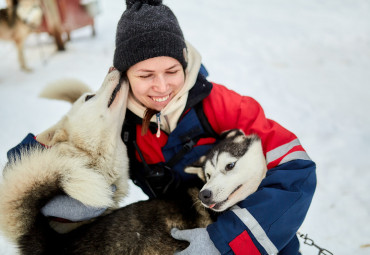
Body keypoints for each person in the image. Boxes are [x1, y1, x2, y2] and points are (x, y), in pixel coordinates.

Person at [6, 0, 316, 254]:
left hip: (259, 235)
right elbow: (26, 170)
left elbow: (295, 169)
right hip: (176, 236)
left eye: (172, 71)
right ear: (125, 74)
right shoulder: (120, 123)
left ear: (184, 63)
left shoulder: (218, 105)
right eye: (145, 75)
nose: (161, 86)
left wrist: (223, 244)